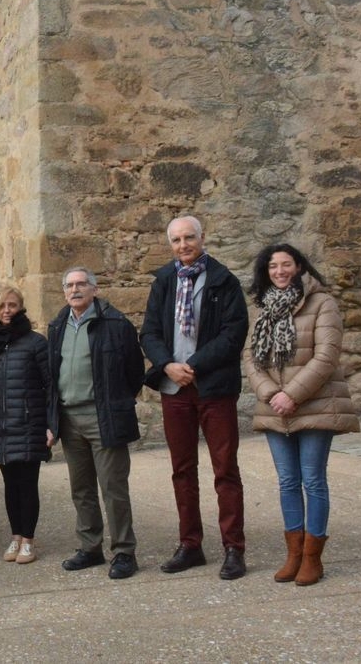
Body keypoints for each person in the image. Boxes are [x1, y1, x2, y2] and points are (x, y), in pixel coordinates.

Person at [140, 215, 250, 580]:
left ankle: (234, 548)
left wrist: (194, 365)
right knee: (182, 470)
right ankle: (191, 545)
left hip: (214, 388)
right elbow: (150, 332)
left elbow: (233, 334)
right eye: (176, 240)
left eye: (189, 238)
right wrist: (168, 365)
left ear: (203, 238)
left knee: (225, 470)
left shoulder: (224, 280)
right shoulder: (164, 281)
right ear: (169, 243)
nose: (183, 245)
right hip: (175, 389)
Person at [244, 244, 359, 586]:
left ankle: (312, 558)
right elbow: (250, 358)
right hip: (275, 409)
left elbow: (326, 356)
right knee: (287, 482)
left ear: (299, 267)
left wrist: (291, 395)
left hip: (316, 404)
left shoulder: (322, 302)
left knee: (312, 480)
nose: (279, 271)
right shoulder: (261, 307)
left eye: (286, 264)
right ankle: (293, 555)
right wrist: (270, 394)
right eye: (272, 266)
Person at [47, 268, 142, 580]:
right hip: (69, 417)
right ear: (64, 292)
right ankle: (90, 547)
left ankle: (125, 552)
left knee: (113, 487)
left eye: (81, 284)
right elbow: (52, 374)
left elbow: (134, 372)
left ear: (94, 289)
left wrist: (116, 405)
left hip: (103, 417)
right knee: (81, 488)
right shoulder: (58, 324)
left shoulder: (115, 323)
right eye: (69, 285)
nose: (75, 290)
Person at [0, 286, 50, 565]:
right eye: (3, 306)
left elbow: (48, 386)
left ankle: (29, 541)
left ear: (21, 308)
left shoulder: (36, 342)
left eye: (13, 305)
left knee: (27, 484)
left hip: (29, 423)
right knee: (10, 485)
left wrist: (50, 424)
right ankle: (16, 536)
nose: (8, 310)